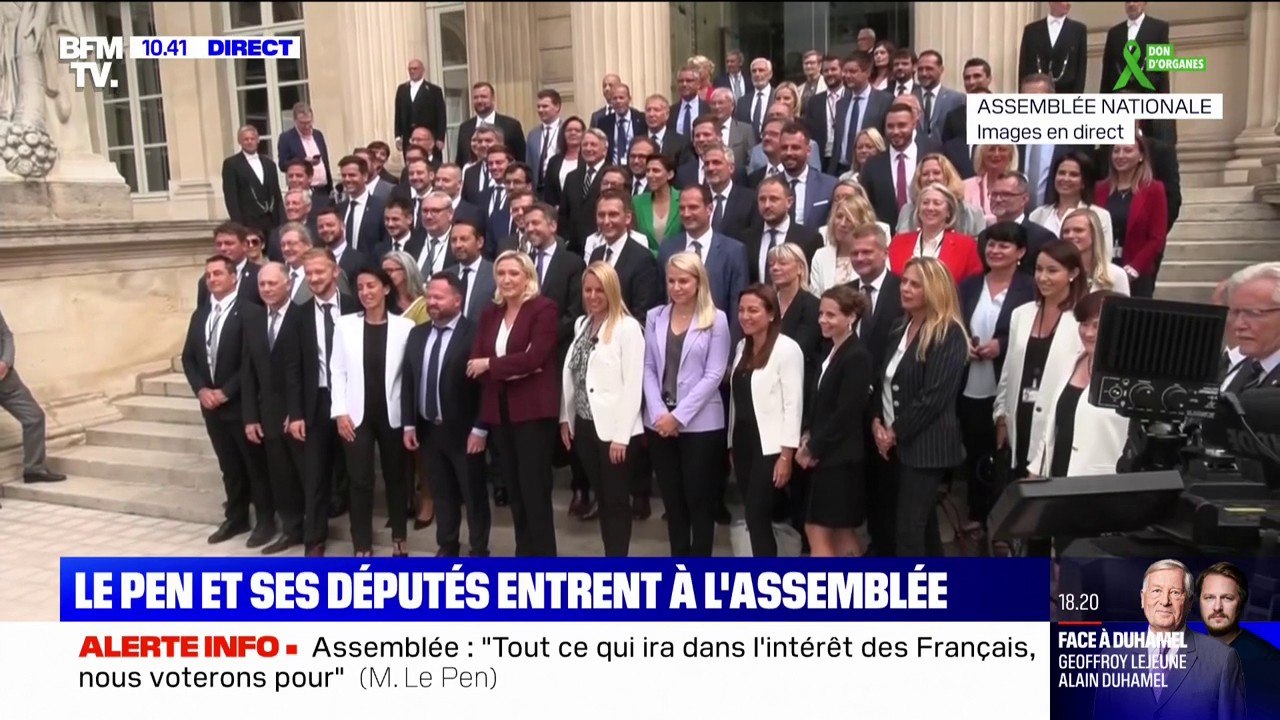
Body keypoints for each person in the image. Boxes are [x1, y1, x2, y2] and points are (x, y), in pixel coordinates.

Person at [871, 257, 969, 557]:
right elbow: (883, 377)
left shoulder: (947, 333)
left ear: (934, 289)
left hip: (927, 446)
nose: (906, 289)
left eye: (916, 284)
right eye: (905, 282)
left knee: (909, 530)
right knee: (923, 528)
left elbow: (934, 397)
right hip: (897, 443)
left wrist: (894, 432)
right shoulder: (900, 326)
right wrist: (876, 421)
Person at [468, 251, 561, 556]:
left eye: (514, 273)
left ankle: (546, 563)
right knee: (515, 493)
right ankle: (524, 558)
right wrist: (513, 366)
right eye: (501, 273)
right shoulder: (490, 313)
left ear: (528, 277)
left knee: (535, 492)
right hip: (500, 412)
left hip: (533, 413)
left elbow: (536, 358)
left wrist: (493, 366)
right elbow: (474, 362)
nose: (506, 279)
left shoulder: (543, 309)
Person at [643, 253, 732, 556]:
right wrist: (658, 413)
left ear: (698, 282)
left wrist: (678, 417)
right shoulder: (655, 316)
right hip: (659, 423)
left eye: (684, 281)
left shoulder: (715, 319)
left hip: (701, 425)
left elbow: (715, 373)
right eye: (672, 281)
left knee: (699, 501)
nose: (677, 287)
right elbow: (649, 368)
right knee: (673, 502)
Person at [182, 254, 272, 546]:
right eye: (208, 275)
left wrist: (226, 391)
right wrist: (201, 390)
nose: (212, 279)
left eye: (218, 274)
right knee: (229, 466)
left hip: (240, 404)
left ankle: (266, 521)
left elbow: (251, 362)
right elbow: (189, 357)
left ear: (234, 278)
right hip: (211, 405)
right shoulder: (201, 314)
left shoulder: (250, 312)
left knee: (254, 466)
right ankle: (236, 517)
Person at [402, 272, 490, 558]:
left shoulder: (475, 333)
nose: (432, 302)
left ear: (457, 299)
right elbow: (409, 381)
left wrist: (480, 428)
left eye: (439, 297)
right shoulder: (417, 333)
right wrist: (408, 424)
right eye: (429, 297)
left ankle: (478, 548)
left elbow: (485, 387)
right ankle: (447, 543)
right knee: (441, 492)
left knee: (473, 494)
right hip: (429, 429)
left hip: (464, 430)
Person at [560, 262, 645, 557]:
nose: (593, 296)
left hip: (615, 432)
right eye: (588, 290)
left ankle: (617, 561)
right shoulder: (582, 324)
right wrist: (565, 419)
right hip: (584, 424)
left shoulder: (627, 327)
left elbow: (633, 385)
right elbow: (573, 375)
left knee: (616, 501)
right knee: (603, 498)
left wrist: (621, 436)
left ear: (612, 290)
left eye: (599, 290)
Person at [957, 222, 1035, 542]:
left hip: (1008, 379)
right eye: (991, 244)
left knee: (1003, 450)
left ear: (1020, 252)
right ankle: (976, 513)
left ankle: (1003, 520)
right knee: (976, 449)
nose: (995, 250)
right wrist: (966, 344)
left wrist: (999, 345)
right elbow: (956, 320)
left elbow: (1029, 330)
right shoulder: (969, 284)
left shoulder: (1029, 287)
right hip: (970, 379)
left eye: (1004, 245)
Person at [329, 267, 414, 557]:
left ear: (386, 289)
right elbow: (337, 371)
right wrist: (340, 412)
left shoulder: (404, 327)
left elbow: (408, 376)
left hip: (393, 415)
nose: (365, 292)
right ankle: (361, 543)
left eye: (372, 286)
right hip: (355, 416)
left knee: (396, 477)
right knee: (360, 480)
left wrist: (410, 421)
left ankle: (399, 537)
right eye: (361, 287)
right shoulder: (344, 325)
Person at [1093, 559, 1245, 720]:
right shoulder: (1112, 657)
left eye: (1175, 593)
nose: (1165, 601)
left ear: (1189, 602)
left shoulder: (1222, 659)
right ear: (1142, 599)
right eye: (1156, 591)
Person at [283, 248, 361, 557]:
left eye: (319, 272)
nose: (314, 278)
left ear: (334, 271)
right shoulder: (298, 313)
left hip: (352, 403)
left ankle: (361, 539)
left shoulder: (355, 308)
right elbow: (292, 368)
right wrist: (296, 413)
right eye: (309, 273)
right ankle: (314, 540)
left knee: (356, 473)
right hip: (315, 402)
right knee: (314, 475)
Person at [994, 239, 1087, 478]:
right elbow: (1008, 370)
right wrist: (1001, 417)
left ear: (1073, 273)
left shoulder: (1081, 322)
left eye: (1052, 270)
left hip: (1055, 424)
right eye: (1039, 269)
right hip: (1019, 418)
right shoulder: (1021, 314)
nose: (1043, 277)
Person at [796, 285, 873, 557]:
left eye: (831, 315)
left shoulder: (856, 355)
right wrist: (807, 434)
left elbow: (846, 412)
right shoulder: (833, 351)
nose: (822, 320)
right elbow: (821, 404)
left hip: (839, 459)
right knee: (839, 531)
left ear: (851, 317)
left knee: (817, 529)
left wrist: (813, 447)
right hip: (831, 455)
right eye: (820, 314)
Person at [729, 284, 805, 557]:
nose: (745, 316)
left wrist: (786, 455)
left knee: (757, 515)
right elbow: (738, 402)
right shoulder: (742, 347)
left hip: (770, 447)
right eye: (741, 310)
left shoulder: (787, 349)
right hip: (743, 443)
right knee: (754, 516)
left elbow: (792, 405)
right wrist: (731, 445)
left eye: (753, 310)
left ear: (771, 314)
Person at [240, 263, 305, 554]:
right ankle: (289, 527)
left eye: (272, 284)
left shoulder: (302, 317)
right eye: (262, 284)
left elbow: (305, 371)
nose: (266, 289)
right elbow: (248, 372)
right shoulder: (253, 319)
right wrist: (250, 416)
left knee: (302, 474)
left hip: (297, 414)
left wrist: (297, 411)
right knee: (278, 474)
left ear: (288, 284)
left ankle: (306, 528)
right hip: (267, 413)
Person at [1029, 289, 1127, 480]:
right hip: (1057, 479)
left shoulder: (1130, 377)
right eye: (1084, 324)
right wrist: (1035, 473)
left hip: (1102, 488)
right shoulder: (1072, 361)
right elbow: (1053, 423)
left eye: (1097, 326)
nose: (1088, 333)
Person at [1196, 562, 1280, 720]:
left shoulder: (1268, 661)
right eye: (1209, 598)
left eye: (1227, 598)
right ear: (1199, 601)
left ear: (1240, 603)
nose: (1217, 607)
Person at [0, 307, 65, 489]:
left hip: (7, 380)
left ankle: (34, 469)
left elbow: (6, 335)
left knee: (34, 417)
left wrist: (5, 361)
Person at [1098, 139, 1168, 298]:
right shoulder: (1100, 189)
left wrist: (1133, 269)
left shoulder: (1154, 189)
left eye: (1127, 150)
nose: (1120, 155)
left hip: (1137, 275)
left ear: (1141, 156)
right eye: (1116, 151)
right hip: (1103, 273)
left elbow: (1157, 237)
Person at [887, 183, 984, 283]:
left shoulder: (966, 246)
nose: (930, 208)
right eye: (925, 203)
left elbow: (973, 285)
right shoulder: (898, 243)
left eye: (937, 203)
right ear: (918, 210)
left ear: (948, 212)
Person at [1029, 150, 1114, 258]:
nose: (1065, 178)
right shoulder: (1037, 215)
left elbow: (1104, 257)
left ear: (1084, 182)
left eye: (1073, 175)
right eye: (1061, 173)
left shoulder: (1100, 215)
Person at [896, 153, 987, 237]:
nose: (931, 178)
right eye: (925, 174)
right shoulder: (907, 211)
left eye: (936, 173)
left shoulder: (972, 212)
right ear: (919, 179)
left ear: (947, 177)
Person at [221, 125, 283, 238]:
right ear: (240, 141)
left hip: (272, 222)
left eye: (252, 139)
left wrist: (280, 220)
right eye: (246, 139)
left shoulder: (270, 164)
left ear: (258, 140)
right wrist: (239, 226)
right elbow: (231, 198)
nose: (249, 142)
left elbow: (276, 193)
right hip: (248, 223)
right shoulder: (231, 164)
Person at [1018, 3, 1089, 95]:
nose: (1068, 4)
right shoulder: (1031, 30)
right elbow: (1023, 67)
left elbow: (1081, 70)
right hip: (1036, 95)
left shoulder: (1078, 30)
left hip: (1066, 95)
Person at [1060, 208, 1130, 295]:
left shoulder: (1115, 274)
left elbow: (1121, 307)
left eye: (1079, 230)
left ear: (1094, 233)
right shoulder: (1056, 272)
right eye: (1066, 231)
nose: (1070, 235)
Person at [633, 153, 680, 253]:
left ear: (670, 174)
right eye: (647, 171)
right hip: (647, 262)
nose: (650, 175)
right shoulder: (637, 202)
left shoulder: (683, 199)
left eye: (656, 171)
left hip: (678, 262)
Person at [963, 144, 1018, 225]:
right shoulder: (965, 186)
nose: (996, 154)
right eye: (991, 149)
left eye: (1002, 149)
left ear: (1011, 155)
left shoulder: (1018, 185)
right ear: (982, 155)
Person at [382, 250, 430, 324]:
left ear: (406, 271)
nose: (386, 275)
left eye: (390, 270)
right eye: (384, 272)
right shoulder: (381, 301)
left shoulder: (423, 305)